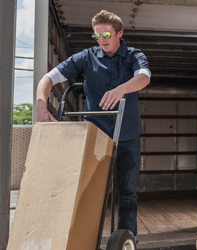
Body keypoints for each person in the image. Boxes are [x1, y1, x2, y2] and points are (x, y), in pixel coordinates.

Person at [36, 10, 150, 241]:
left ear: (120, 33)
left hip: (127, 136)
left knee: (127, 194)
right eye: (97, 35)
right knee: (91, 191)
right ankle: (87, 239)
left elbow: (144, 77)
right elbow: (49, 78)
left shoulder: (134, 55)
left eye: (107, 33)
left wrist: (121, 89)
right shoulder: (87, 56)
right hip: (96, 135)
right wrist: (41, 105)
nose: (102, 39)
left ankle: (128, 240)